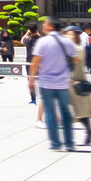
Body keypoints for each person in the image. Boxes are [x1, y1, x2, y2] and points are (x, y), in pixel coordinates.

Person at [26, 20, 79, 151]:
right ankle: (69, 143)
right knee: (65, 112)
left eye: (44, 24)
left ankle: (55, 143)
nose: (42, 26)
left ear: (50, 26)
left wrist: (31, 79)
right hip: (63, 82)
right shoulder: (67, 41)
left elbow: (35, 62)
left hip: (46, 82)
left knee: (49, 112)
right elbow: (76, 60)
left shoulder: (43, 41)